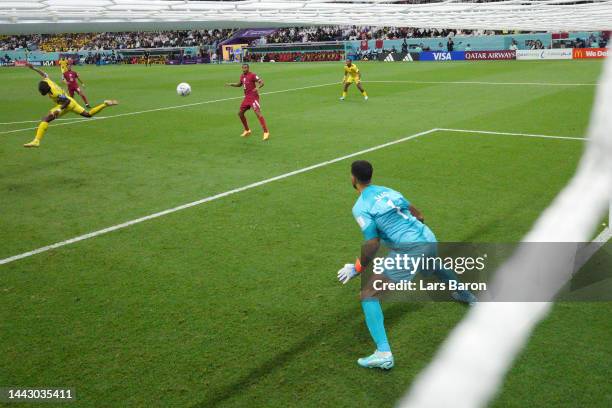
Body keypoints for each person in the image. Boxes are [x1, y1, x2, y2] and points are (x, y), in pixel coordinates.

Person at [337, 160, 477, 370]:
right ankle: (466, 295)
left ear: (353, 178)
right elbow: (419, 215)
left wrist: (356, 268)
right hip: (428, 237)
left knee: (368, 294)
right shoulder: (389, 191)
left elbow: (372, 244)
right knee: (434, 266)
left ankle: (383, 354)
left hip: (411, 248)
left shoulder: (361, 207)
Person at [23, 63, 118, 148]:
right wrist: (33, 68)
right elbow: (44, 74)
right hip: (72, 102)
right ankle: (105, 104)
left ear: (45, 91)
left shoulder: (54, 93)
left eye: (41, 91)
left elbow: (66, 101)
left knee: (45, 119)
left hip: (67, 104)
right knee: (88, 114)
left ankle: (36, 141)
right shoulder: (47, 82)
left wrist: (59, 110)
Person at [225, 63, 270, 141]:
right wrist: (231, 84)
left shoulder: (253, 75)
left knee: (258, 113)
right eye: (243, 68)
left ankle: (266, 132)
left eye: (246, 68)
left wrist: (257, 88)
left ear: (248, 68)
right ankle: (247, 130)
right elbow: (239, 84)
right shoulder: (242, 76)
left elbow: (262, 82)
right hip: (247, 98)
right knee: (240, 113)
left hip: (253, 97)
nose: (244, 69)